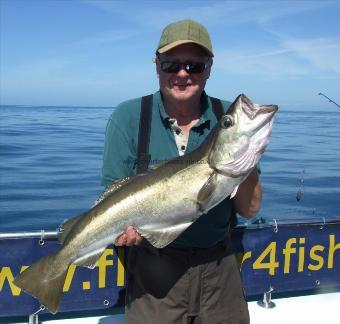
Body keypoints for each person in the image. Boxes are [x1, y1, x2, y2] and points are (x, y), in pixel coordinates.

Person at [101, 19, 262, 324]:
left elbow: (250, 209)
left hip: (219, 268)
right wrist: (122, 232)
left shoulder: (226, 117)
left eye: (194, 66)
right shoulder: (127, 117)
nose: (182, 74)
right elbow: (111, 192)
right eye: (171, 64)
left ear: (209, 68)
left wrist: (249, 157)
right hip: (153, 273)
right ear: (156, 65)